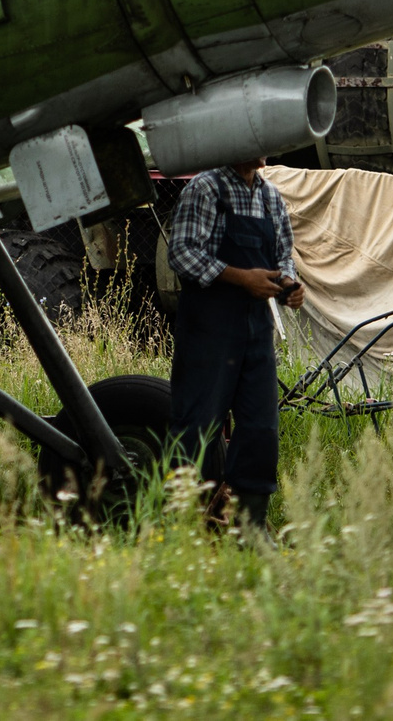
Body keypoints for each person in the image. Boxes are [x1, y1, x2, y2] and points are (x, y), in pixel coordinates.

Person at [166, 153, 305, 540]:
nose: (265, 146)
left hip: (255, 331)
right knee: (196, 426)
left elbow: (283, 258)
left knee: (261, 428)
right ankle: (187, 528)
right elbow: (182, 253)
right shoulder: (206, 187)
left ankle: (250, 528)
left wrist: (290, 287)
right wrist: (242, 278)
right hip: (209, 329)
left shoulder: (271, 197)